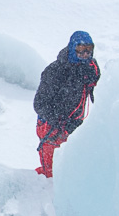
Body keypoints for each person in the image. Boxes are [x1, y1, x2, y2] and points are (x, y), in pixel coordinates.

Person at [33, 30, 101, 178]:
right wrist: (58, 120)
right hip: (51, 126)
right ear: (72, 48)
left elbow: (99, 90)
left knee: (74, 170)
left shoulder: (91, 68)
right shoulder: (55, 71)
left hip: (74, 124)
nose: (85, 54)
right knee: (52, 173)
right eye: (80, 50)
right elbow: (39, 103)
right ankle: (39, 185)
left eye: (88, 49)